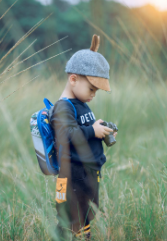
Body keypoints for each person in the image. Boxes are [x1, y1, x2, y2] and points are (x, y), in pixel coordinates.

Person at [50, 34, 117, 240]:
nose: (93, 94)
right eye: (91, 88)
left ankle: (80, 235)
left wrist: (100, 129)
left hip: (87, 173)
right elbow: (68, 135)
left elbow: (83, 130)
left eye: (96, 90)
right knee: (73, 215)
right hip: (73, 175)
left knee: (87, 211)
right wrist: (92, 131)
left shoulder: (80, 103)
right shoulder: (63, 107)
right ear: (73, 79)